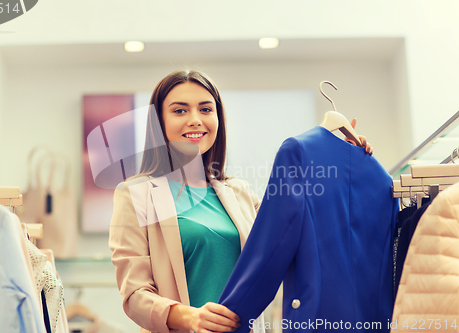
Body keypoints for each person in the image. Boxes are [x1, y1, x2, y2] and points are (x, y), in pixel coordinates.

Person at [108, 69, 373, 333]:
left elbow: (302, 235)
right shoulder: (135, 194)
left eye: (205, 109)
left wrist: (343, 160)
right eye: (179, 111)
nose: (195, 120)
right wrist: (190, 318)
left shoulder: (240, 193)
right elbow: (135, 294)